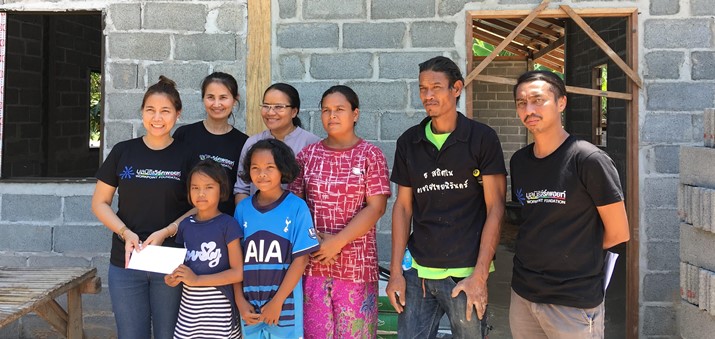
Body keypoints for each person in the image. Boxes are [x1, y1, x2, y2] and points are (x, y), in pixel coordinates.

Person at [386, 56, 506, 339]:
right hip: (418, 273)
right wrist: (395, 273)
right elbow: (402, 208)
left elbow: (496, 208)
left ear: (456, 88)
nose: (428, 95)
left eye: (436, 87)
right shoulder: (409, 142)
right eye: (422, 88)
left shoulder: (481, 138)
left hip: (466, 274)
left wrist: (480, 275)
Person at [508, 70, 630, 339]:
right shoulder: (519, 161)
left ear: (561, 102)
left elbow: (619, 232)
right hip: (524, 296)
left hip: (573, 303)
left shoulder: (588, 159)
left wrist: (575, 255)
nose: (529, 109)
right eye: (521, 102)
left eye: (538, 100)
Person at [91, 76, 194, 339]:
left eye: (165, 111)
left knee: (167, 335)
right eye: (150, 110)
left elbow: (201, 208)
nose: (157, 118)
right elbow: (100, 203)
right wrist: (125, 232)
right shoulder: (123, 152)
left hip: (171, 261)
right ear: (142, 112)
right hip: (127, 261)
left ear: (178, 114)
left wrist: (168, 230)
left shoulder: (188, 156)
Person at [289, 85, 391, 339]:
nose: (331, 115)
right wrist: (318, 241)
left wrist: (337, 242)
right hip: (314, 263)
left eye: (339, 110)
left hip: (356, 268)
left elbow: (376, 207)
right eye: (326, 110)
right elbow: (295, 206)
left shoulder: (370, 155)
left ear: (355, 114)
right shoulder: (307, 156)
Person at [234, 139, 320, 339]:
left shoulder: (296, 207)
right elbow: (235, 261)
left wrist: (277, 302)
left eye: (269, 167)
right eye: (255, 168)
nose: (261, 174)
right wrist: (240, 301)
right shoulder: (243, 209)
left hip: (285, 309)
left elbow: (301, 260)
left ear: (283, 168)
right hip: (250, 311)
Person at [165, 159, 244, 338]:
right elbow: (183, 267)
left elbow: (238, 272)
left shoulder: (228, 224)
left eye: (208, 187)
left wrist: (197, 279)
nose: (201, 193)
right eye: (195, 187)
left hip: (219, 311)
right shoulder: (185, 225)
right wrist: (174, 277)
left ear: (221, 190)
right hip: (190, 311)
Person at [174, 72, 249, 215]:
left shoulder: (243, 143)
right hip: (184, 223)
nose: (216, 104)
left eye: (223, 98)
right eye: (210, 97)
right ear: (203, 99)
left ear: (234, 100)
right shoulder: (184, 134)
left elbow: (242, 190)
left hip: (224, 227)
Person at [234, 83, 320, 203]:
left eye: (279, 107)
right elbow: (242, 188)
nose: (270, 112)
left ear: (294, 111)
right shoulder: (252, 143)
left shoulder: (312, 144)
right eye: (266, 106)